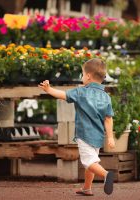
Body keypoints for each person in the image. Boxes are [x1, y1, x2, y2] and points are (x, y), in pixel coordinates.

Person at [38, 58, 115, 196]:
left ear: (88, 76)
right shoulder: (106, 97)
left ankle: (106, 174)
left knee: (89, 161)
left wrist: (48, 89)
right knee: (91, 161)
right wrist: (110, 137)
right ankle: (87, 188)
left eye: (82, 74)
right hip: (98, 136)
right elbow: (108, 119)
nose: (82, 77)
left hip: (84, 134)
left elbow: (63, 95)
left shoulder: (81, 92)